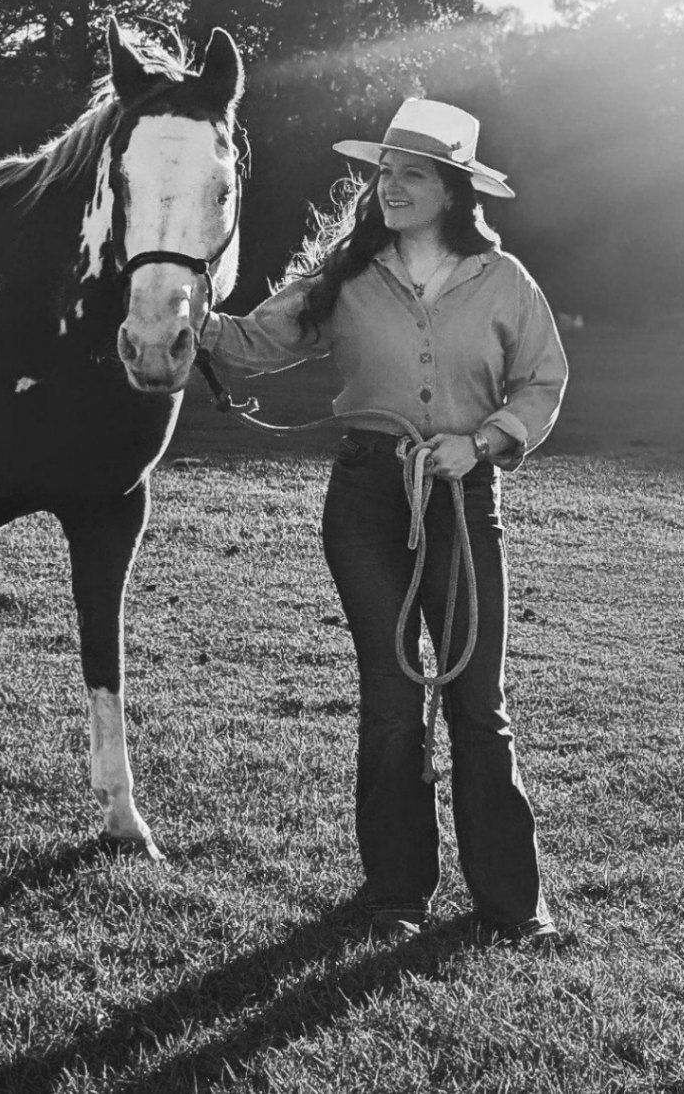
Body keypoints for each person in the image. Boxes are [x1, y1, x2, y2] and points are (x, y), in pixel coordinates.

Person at [201, 99, 569, 947]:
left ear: (451, 189)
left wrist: (482, 442)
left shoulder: (505, 280)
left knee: (480, 705)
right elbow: (255, 341)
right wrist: (184, 314)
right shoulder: (347, 275)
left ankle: (514, 906)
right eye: (384, 172)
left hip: (464, 502)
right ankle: (397, 894)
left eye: (413, 174)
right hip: (367, 501)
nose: (391, 187)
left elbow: (542, 383)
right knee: (393, 702)